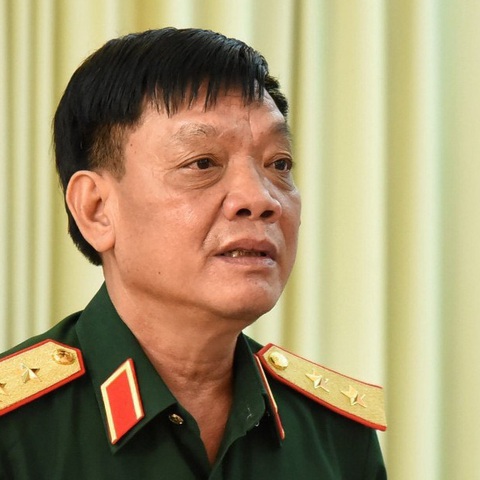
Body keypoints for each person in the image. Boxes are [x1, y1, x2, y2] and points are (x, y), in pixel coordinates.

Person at [0, 28, 387, 479]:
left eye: (278, 164)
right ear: (97, 209)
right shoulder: (17, 434)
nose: (260, 199)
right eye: (202, 163)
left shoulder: (335, 437)